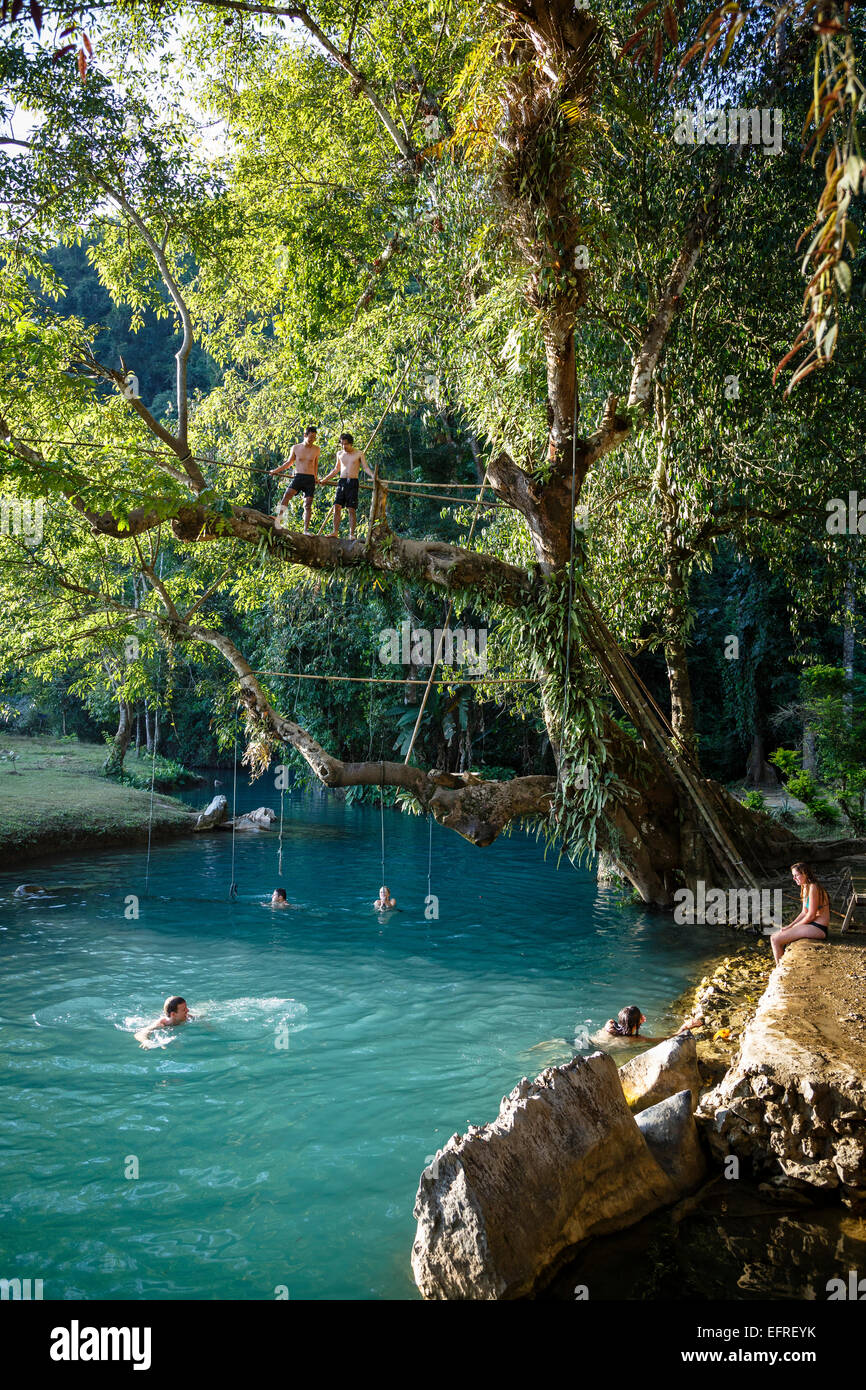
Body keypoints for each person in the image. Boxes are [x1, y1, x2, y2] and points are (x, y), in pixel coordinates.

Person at [770, 861, 830, 964]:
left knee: (775, 939)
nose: (794, 878)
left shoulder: (813, 887)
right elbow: (804, 912)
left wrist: (795, 926)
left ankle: (779, 970)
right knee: (778, 934)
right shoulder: (805, 887)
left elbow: (811, 915)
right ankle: (782, 964)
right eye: (793, 876)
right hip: (811, 925)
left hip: (818, 928)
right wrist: (790, 926)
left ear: (805, 874)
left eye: (796, 875)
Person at [319, 433, 375, 539]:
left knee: (351, 508)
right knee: (336, 506)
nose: (344, 446)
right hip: (342, 481)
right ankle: (335, 532)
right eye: (342, 444)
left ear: (351, 444)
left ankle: (351, 534)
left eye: (346, 444)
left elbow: (365, 467)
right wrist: (325, 479)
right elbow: (336, 469)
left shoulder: (359, 453)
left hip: (353, 482)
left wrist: (373, 476)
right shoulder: (340, 453)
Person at [269, 426, 320, 534]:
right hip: (299, 477)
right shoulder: (296, 447)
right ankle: (279, 519)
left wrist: (316, 477)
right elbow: (288, 463)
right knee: (287, 494)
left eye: (314, 438)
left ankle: (306, 530)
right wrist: (276, 471)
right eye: (311, 437)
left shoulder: (316, 449)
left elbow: (315, 464)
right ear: (305, 435)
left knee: (308, 504)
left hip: (310, 478)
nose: (312, 440)